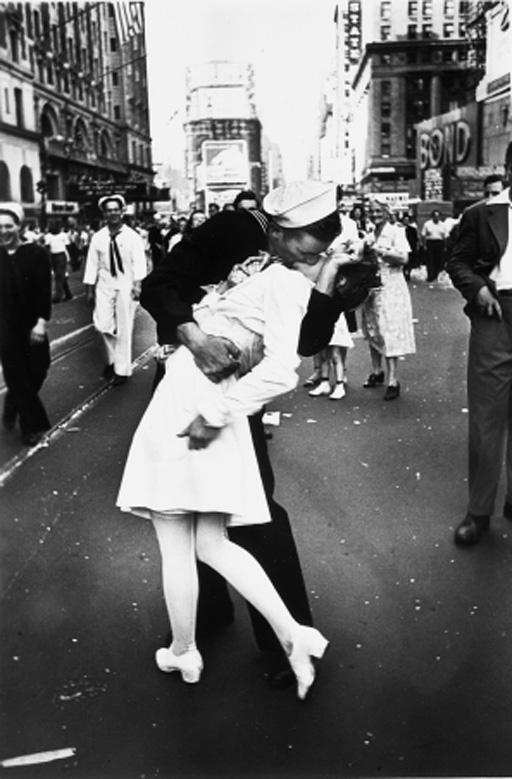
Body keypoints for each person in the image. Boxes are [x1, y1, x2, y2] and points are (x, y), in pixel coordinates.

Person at [117, 185, 343, 699]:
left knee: (250, 510)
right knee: (198, 518)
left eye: (324, 245)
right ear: (279, 226)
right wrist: (195, 337)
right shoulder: (234, 229)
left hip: (232, 395)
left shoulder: (301, 268)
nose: (316, 252)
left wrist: (328, 293)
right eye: (310, 241)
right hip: (192, 376)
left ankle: (280, 639)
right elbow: (160, 285)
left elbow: (302, 345)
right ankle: (205, 618)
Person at [446, 142, 512, 546]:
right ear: (509, 168)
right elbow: (457, 261)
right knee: (487, 418)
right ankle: (479, 512)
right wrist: (477, 290)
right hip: (496, 315)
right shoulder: (481, 214)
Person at [0, 203, 52, 446]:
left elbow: (44, 290)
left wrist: (41, 323)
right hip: (4, 325)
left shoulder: (36, 254)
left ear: (19, 227)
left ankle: (13, 401)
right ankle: (32, 427)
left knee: (39, 368)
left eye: (8, 226)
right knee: (16, 373)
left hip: (32, 322)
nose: (3, 231)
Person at [83, 195, 147, 386]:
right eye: (108, 210)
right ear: (104, 213)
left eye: (115, 209)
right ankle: (112, 360)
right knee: (101, 325)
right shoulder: (98, 237)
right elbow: (92, 264)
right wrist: (89, 289)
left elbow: (139, 262)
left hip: (126, 284)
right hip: (105, 285)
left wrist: (137, 284)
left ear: (122, 211)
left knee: (125, 327)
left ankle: (122, 370)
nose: (112, 213)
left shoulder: (132, 237)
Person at [361, 198, 416, 400]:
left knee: (389, 330)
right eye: (371, 211)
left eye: (378, 211)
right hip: (372, 287)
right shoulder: (369, 233)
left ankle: (393, 379)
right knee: (373, 329)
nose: (374, 215)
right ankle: (377, 371)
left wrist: (379, 250)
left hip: (391, 286)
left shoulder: (396, 231)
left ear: (386, 212)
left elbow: (404, 258)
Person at [45, 222, 72, 303]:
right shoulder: (48, 236)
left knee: (59, 276)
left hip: (61, 256)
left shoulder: (63, 235)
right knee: (60, 276)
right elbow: (47, 247)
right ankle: (68, 294)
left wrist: (68, 257)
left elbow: (68, 246)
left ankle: (57, 296)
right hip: (53, 256)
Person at [421, 209, 447, 282]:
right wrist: (424, 245)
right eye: (435, 216)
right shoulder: (427, 224)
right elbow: (423, 235)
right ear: (432, 217)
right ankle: (430, 276)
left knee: (438, 260)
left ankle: (436, 275)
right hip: (430, 243)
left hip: (439, 243)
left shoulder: (443, 225)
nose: (436, 218)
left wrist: (445, 246)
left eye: (438, 216)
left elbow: (445, 236)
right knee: (430, 260)